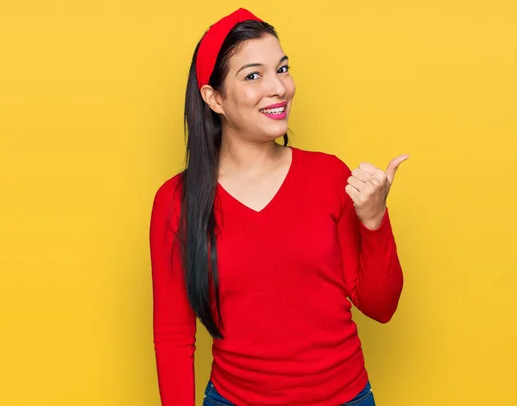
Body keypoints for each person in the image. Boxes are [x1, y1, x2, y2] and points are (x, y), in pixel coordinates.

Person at [149, 8, 408, 406]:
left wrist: (374, 221)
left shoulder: (327, 175)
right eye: (254, 75)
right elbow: (173, 338)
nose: (279, 88)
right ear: (213, 98)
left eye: (282, 69)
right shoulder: (176, 202)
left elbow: (381, 306)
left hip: (345, 398)